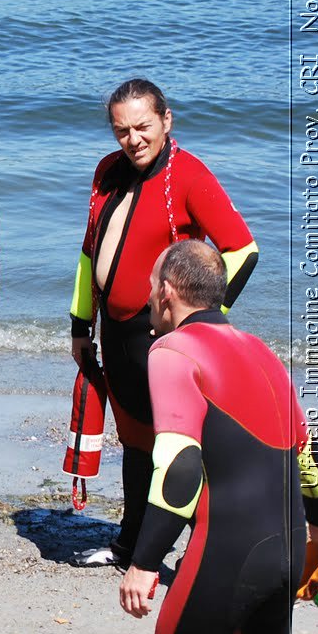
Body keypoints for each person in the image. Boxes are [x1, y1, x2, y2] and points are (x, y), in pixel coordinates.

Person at [118, 240, 318, 634]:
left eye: (150, 288)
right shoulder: (262, 351)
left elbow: (180, 465)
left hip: (228, 553)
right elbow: (311, 459)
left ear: (167, 293)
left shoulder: (170, 353)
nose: (147, 299)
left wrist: (145, 561)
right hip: (287, 546)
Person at [68, 79, 259, 568]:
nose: (132, 139)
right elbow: (90, 253)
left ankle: (209, 551)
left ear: (166, 120)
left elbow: (242, 250)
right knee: (134, 443)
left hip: (162, 336)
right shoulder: (107, 171)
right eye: (121, 130)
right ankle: (129, 546)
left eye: (142, 127)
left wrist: (203, 324)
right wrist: (79, 324)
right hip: (114, 330)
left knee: (179, 447)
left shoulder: (189, 175)